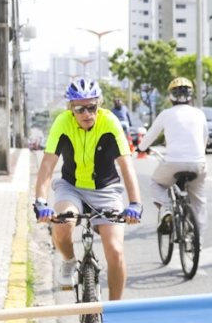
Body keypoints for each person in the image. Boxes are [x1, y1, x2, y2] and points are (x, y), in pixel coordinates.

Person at [34, 78, 142, 297]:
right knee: (63, 226)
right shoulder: (62, 123)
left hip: (106, 190)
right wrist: (41, 202)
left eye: (91, 107)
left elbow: (126, 164)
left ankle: (114, 312)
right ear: (70, 109)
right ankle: (69, 261)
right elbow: (47, 165)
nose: (86, 114)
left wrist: (135, 204)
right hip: (71, 187)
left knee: (116, 251)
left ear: (99, 105)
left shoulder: (110, 122)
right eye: (79, 108)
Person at [137, 77, 210, 235]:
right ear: (191, 97)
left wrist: (140, 148)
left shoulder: (166, 114)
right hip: (198, 163)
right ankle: (198, 239)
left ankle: (166, 208)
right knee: (199, 202)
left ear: (171, 97)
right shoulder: (200, 114)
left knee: (155, 184)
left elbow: (150, 136)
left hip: (173, 163)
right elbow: (204, 139)